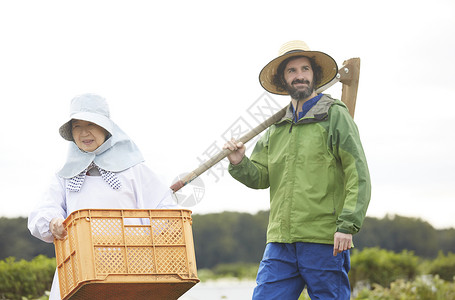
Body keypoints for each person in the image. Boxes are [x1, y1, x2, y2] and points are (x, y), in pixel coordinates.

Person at [223, 41, 371, 299]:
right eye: (292, 71)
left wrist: (347, 225)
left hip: (325, 240)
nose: (299, 75)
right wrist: (239, 162)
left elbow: (357, 173)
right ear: (283, 80)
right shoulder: (276, 125)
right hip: (280, 241)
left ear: (314, 75)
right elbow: (261, 176)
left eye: (305, 69)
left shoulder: (335, 115)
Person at [28, 93, 177, 299]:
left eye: (91, 123)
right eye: (76, 126)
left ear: (106, 128)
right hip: (79, 273)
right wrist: (53, 221)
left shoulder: (133, 169)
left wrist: (142, 239)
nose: (83, 132)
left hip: (131, 269)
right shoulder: (66, 174)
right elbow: (41, 213)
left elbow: (167, 209)